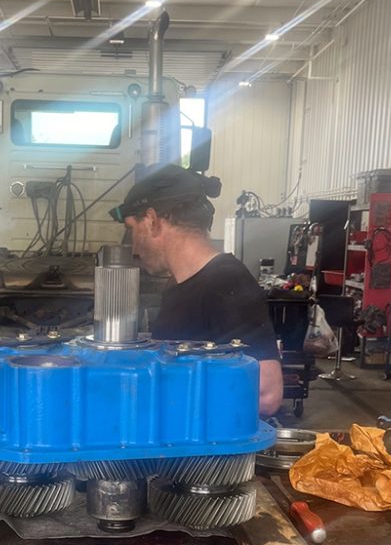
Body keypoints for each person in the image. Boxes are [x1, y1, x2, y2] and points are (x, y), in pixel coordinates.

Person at [112, 165, 284, 417]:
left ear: (151, 221)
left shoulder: (226, 282)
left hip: (208, 442)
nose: (134, 245)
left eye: (131, 228)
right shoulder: (179, 285)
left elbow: (265, 394)